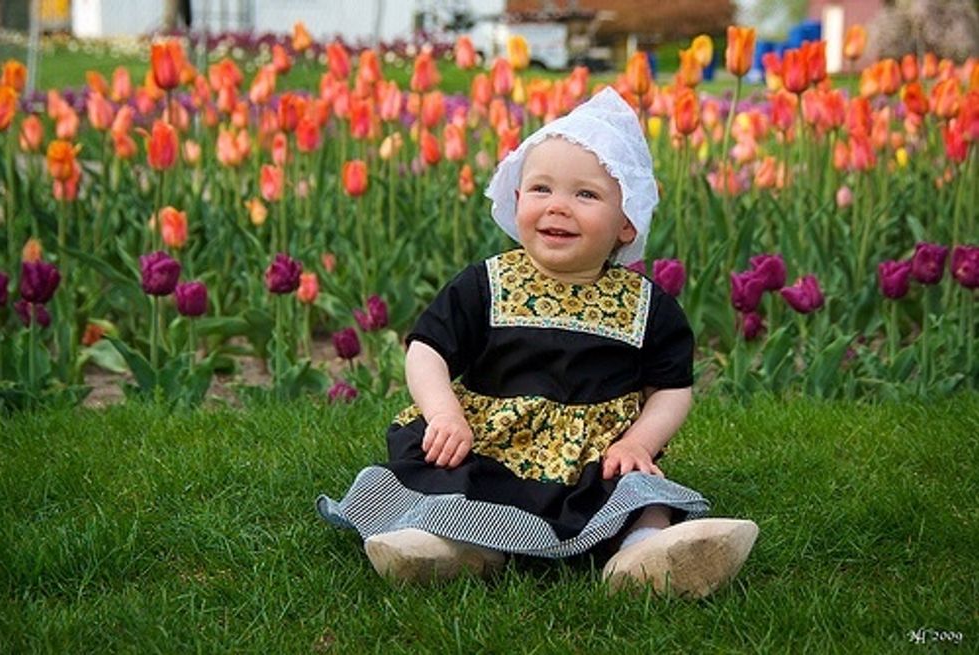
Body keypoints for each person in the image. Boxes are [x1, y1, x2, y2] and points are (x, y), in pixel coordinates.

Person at [317, 87, 758, 597]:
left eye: (586, 194)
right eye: (541, 189)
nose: (559, 207)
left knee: (639, 492)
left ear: (626, 221)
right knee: (456, 482)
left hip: (594, 461)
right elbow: (427, 349)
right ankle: (456, 549)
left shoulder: (648, 305)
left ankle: (646, 553)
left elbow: (671, 388)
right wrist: (442, 413)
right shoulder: (486, 283)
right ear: (517, 198)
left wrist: (639, 441)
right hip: (491, 445)